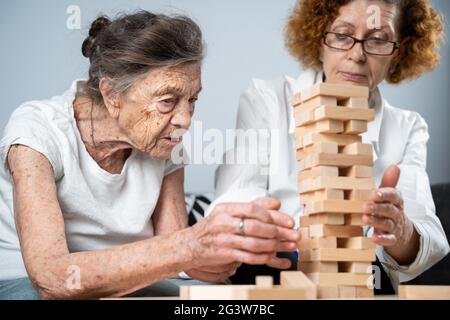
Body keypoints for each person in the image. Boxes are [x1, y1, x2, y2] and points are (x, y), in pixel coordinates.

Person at [0, 11, 300, 300]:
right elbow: (52, 279)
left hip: (139, 282)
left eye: (192, 99)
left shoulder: (165, 140)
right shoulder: (37, 130)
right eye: (168, 101)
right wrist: (189, 246)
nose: (185, 119)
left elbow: (177, 256)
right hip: (28, 284)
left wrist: (222, 254)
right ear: (112, 95)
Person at [211, 0, 450, 290]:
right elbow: (232, 204)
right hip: (273, 276)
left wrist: (398, 230)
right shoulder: (268, 100)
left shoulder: (407, 127)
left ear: (398, 52)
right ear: (319, 39)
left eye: (378, 40)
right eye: (342, 35)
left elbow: (425, 241)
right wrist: (280, 234)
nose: (357, 55)